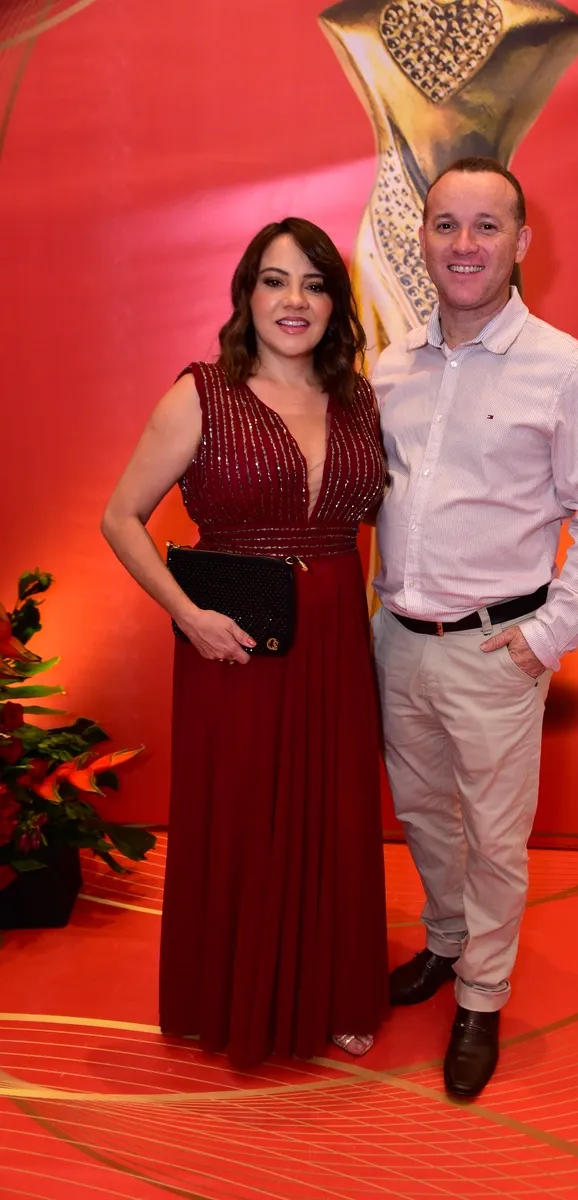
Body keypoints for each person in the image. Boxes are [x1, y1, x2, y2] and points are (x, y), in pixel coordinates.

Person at [371, 157, 578, 1097]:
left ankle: (482, 997)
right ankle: (446, 944)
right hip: (398, 639)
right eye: (446, 224)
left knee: (492, 835)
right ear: (422, 239)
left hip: (497, 648)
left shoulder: (563, 368)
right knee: (421, 816)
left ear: (522, 242)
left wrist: (546, 636)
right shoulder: (389, 366)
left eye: (487, 226)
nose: (465, 244)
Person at [102, 218, 389, 1066]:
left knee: (334, 814)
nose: (294, 300)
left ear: (335, 303)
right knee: (241, 815)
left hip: (335, 640)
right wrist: (188, 614)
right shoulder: (201, 394)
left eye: (314, 283)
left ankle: (335, 990)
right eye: (274, 280)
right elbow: (120, 517)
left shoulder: (359, 398)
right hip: (232, 642)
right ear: (247, 295)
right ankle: (234, 998)